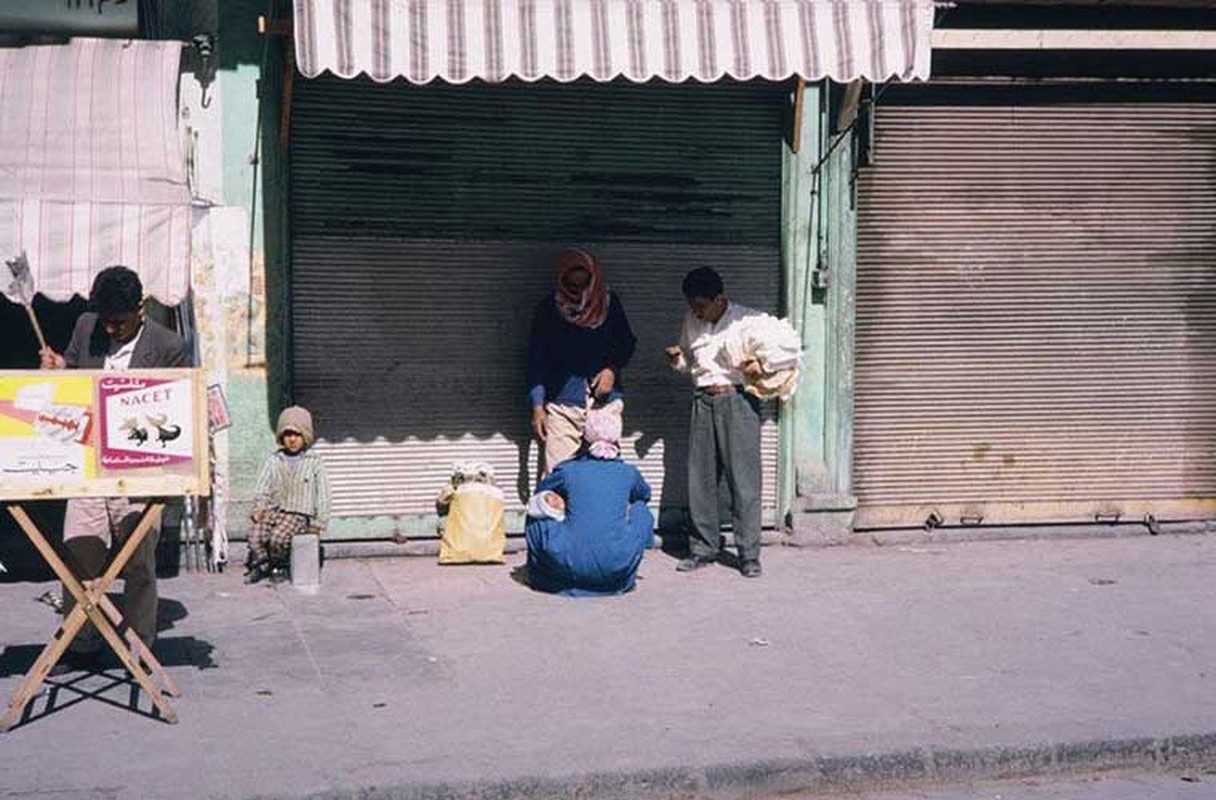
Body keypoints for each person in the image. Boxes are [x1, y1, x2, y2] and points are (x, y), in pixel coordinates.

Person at [39, 265, 189, 669]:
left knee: (138, 562)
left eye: (118, 322)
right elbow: (69, 385)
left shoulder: (169, 346)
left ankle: (138, 646)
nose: (109, 329)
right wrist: (57, 371)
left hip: (140, 475)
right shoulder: (86, 327)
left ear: (141, 308)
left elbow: (177, 414)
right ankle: (81, 640)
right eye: (105, 320)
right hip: (88, 471)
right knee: (79, 554)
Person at [665, 267, 798, 579]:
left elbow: (784, 357)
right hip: (702, 400)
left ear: (719, 299)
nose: (696, 312)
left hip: (738, 401)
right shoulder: (691, 320)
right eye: (693, 306)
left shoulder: (749, 322)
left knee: (744, 480)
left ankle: (749, 554)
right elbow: (691, 363)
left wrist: (759, 365)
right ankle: (703, 548)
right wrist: (678, 361)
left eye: (702, 306)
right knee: (701, 479)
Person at [526, 248, 636, 473]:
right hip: (562, 404)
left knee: (605, 469)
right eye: (572, 285)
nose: (579, 292)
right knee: (559, 472)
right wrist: (538, 406)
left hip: (604, 402)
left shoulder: (608, 304)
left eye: (584, 284)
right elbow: (536, 358)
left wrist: (611, 370)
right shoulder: (549, 309)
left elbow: (626, 343)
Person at [523, 409, 654, 596]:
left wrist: (562, 501)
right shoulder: (629, 472)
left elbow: (541, 491)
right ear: (617, 440)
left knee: (538, 507)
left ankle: (540, 573)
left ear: (584, 439)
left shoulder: (568, 471)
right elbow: (644, 495)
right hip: (616, 566)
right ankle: (624, 574)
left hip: (568, 565)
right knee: (641, 510)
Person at [246, 406, 331, 583]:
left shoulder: (314, 462)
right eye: (287, 434)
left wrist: (318, 523)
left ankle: (280, 565)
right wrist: (259, 508)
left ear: (305, 436)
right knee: (255, 536)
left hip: (298, 514)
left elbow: (323, 494)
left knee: (278, 538)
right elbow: (263, 486)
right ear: (281, 437)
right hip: (275, 510)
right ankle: (263, 564)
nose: (292, 439)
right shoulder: (274, 460)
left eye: (297, 435)